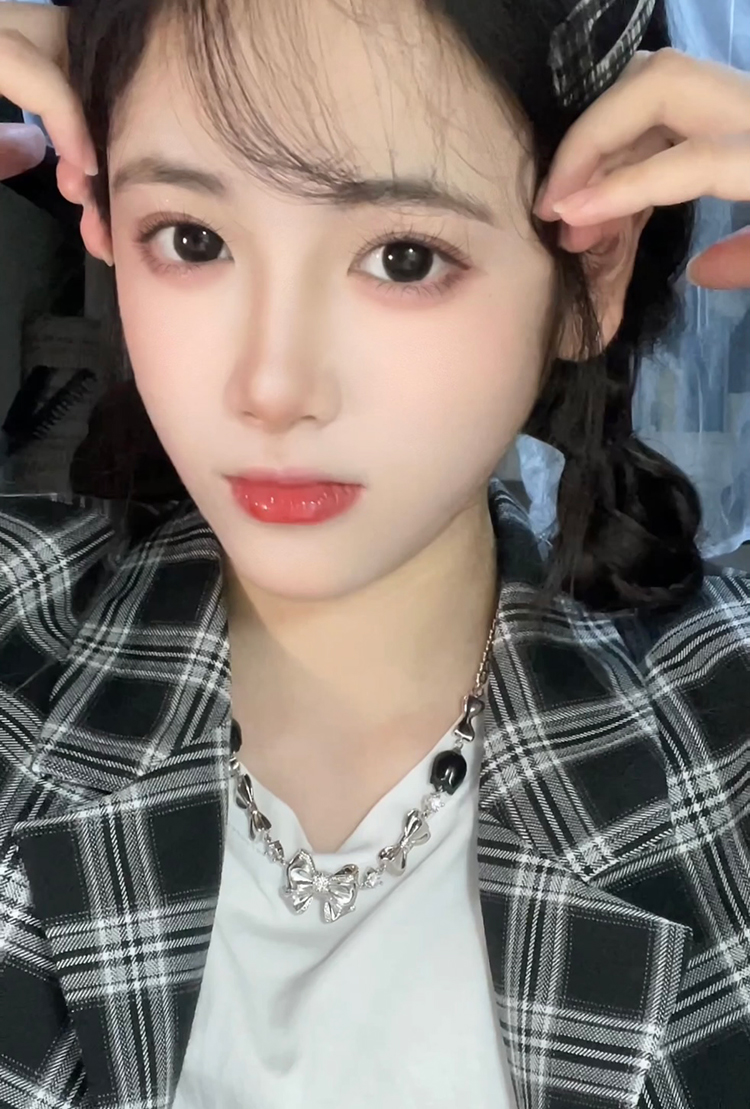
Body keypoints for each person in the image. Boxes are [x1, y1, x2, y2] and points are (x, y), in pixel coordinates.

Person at [1, 2, 750, 1108]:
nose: (272, 386)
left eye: (403, 257)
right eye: (194, 238)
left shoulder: (723, 730)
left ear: (591, 275)